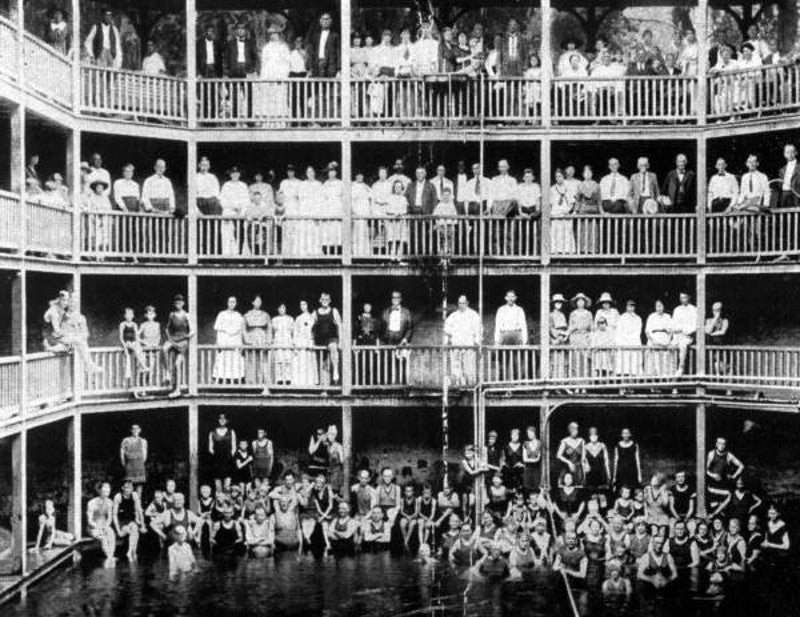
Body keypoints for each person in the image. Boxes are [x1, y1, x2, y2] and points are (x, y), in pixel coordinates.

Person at [256, 25, 291, 126]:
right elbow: (264, 63)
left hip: (280, 78)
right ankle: (268, 121)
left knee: (280, 98)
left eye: (274, 33)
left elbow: (287, 63)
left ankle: (281, 121)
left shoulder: (284, 47)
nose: (272, 36)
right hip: (268, 77)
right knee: (268, 98)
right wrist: (264, 77)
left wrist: (283, 76)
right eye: (271, 34)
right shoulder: (266, 47)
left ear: (279, 34)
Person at [444, 295, 481, 386]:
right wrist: (447, 342)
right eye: (459, 303)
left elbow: (478, 330)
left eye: (463, 303)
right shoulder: (453, 316)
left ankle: (470, 386)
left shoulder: (473, 315)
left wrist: (476, 342)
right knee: (456, 367)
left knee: (469, 368)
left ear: (467, 303)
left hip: (468, 346)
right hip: (456, 346)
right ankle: (458, 386)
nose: (461, 305)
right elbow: (447, 330)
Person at [161, 294, 191, 397]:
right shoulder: (172, 315)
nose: (178, 305)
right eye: (176, 303)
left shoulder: (187, 315)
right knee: (164, 348)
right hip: (173, 337)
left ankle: (177, 390)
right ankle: (167, 373)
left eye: (180, 303)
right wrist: (169, 338)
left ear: (183, 304)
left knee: (177, 364)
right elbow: (166, 328)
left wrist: (187, 336)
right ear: (175, 304)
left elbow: (193, 331)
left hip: (183, 340)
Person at [212, 296, 245, 385]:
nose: (232, 304)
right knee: (223, 362)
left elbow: (240, 331)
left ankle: (234, 383)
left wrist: (240, 343)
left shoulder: (238, 315)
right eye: (230, 302)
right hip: (225, 342)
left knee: (235, 363)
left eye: (234, 302)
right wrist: (219, 342)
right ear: (227, 303)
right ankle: (222, 382)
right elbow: (219, 329)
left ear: (236, 303)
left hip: (234, 343)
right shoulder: (222, 314)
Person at [312, 293, 342, 386]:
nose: (325, 301)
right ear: (320, 301)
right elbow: (310, 327)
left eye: (327, 299)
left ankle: (336, 371)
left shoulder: (334, 311)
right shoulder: (315, 312)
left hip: (331, 337)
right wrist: (311, 340)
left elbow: (340, 326)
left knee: (333, 347)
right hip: (320, 340)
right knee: (324, 363)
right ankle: (326, 385)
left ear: (329, 301)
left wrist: (340, 341)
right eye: (323, 299)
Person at [706, 436, 744, 508]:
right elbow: (705, 470)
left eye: (724, 444)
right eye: (720, 443)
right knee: (713, 506)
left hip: (724, 486)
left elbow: (741, 466)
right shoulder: (711, 454)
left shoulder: (728, 455)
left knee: (723, 506)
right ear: (716, 444)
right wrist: (712, 475)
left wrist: (734, 476)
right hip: (713, 485)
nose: (721, 446)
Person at [119, 307, 149, 397]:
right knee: (133, 346)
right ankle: (143, 365)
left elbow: (137, 337)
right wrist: (124, 345)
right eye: (127, 314)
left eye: (131, 314)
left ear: (133, 315)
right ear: (125, 316)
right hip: (127, 344)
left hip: (133, 344)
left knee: (138, 348)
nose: (129, 316)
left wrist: (144, 342)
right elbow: (121, 337)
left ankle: (141, 364)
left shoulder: (134, 325)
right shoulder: (123, 324)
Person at [112, 480, 145, 562]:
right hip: (120, 521)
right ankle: (132, 552)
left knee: (135, 528)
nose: (128, 490)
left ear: (132, 488)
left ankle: (131, 552)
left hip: (130, 520)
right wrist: (118, 530)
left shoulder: (134, 495)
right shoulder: (118, 497)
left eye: (130, 488)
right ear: (122, 488)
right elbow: (114, 515)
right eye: (126, 488)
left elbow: (139, 511)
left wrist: (143, 525)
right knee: (129, 530)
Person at [87, 482, 116, 565]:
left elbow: (109, 518)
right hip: (93, 527)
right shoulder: (92, 502)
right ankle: (109, 558)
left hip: (104, 525)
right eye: (105, 488)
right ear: (99, 490)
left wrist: (106, 526)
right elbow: (89, 520)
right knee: (103, 538)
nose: (107, 490)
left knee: (111, 534)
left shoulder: (110, 502)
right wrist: (98, 527)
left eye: (108, 488)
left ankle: (111, 556)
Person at [549, 168, 576, 254]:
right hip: (555, 212)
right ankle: (555, 251)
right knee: (556, 232)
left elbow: (572, 202)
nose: (558, 178)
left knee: (567, 232)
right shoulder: (552, 189)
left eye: (560, 176)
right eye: (556, 177)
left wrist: (568, 210)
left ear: (563, 177)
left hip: (565, 212)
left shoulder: (569, 188)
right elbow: (550, 203)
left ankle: (568, 251)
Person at [615, 299, 643, 380]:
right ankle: (624, 387)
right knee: (624, 366)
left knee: (634, 365)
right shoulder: (622, 318)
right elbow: (619, 331)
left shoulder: (638, 318)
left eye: (632, 306)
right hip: (624, 344)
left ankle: (633, 386)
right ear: (626, 307)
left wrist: (631, 339)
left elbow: (638, 331)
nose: (630, 308)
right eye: (629, 306)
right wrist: (622, 341)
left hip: (634, 343)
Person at [645, 299, 674, 376]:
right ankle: (654, 383)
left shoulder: (668, 317)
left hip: (665, 340)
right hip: (654, 340)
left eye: (661, 306)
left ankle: (666, 380)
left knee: (665, 362)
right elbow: (647, 331)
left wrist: (667, 341)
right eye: (657, 306)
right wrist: (653, 341)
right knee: (654, 361)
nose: (659, 308)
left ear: (664, 307)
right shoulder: (651, 316)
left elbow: (671, 331)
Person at [568, 293, 593, 378]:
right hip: (575, 338)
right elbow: (570, 327)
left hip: (585, 338)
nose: (580, 302)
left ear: (585, 302)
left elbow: (591, 327)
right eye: (578, 301)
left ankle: (584, 385)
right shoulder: (573, 313)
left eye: (582, 300)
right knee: (575, 361)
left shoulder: (588, 313)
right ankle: (576, 385)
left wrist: (589, 336)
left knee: (585, 361)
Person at [672, 292, 697, 376]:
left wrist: (686, 330)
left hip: (688, 336)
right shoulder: (677, 309)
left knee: (683, 345)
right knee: (669, 346)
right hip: (677, 335)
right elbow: (674, 325)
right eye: (681, 298)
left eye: (685, 297)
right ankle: (670, 372)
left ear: (689, 297)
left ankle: (681, 367)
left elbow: (695, 325)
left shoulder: (694, 309)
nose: (683, 300)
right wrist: (679, 329)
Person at [306, 13, 340, 78]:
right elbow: (311, 53)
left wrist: (339, 70)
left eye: (327, 19)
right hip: (317, 66)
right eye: (323, 19)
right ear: (320, 21)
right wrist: (310, 68)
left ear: (331, 21)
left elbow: (338, 53)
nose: (325, 21)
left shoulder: (335, 36)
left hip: (330, 67)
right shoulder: (315, 36)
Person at [208, 413, 236, 489]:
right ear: (218, 420)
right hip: (217, 461)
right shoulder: (212, 433)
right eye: (220, 418)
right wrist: (216, 455)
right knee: (218, 487)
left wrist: (230, 456)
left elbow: (234, 447)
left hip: (228, 461)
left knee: (227, 486)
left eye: (224, 418)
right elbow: (210, 448)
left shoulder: (231, 432)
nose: (222, 420)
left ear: (227, 420)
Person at [293, 300, 317, 386]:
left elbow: (314, 331)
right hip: (301, 342)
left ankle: (310, 383)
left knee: (310, 363)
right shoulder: (298, 318)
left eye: (304, 304)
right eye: (301, 305)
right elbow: (295, 332)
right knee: (301, 363)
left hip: (309, 342)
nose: (302, 306)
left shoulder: (312, 317)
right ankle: (301, 383)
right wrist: (295, 344)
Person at [271, 303, 295, 386]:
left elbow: (292, 332)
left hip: (287, 340)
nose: (281, 309)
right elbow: (273, 331)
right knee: (279, 360)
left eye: (283, 308)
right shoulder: (274, 319)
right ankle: (279, 378)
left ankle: (288, 378)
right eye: (280, 308)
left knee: (287, 360)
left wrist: (292, 342)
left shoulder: (290, 319)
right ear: (278, 309)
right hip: (278, 341)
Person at [120, 424, 147, 494]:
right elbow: (122, 453)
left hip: (139, 466)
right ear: (131, 430)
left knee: (139, 487)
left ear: (140, 430)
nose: (135, 430)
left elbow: (144, 455)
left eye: (137, 429)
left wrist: (140, 463)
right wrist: (124, 462)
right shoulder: (126, 440)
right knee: (128, 486)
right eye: (133, 429)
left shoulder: (143, 441)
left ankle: (138, 502)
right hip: (130, 466)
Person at [556, 422, 585, 487]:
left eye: (576, 429)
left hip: (578, 468)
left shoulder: (581, 441)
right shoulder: (565, 441)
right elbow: (558, 455)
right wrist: (569, 462)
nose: (575, 432)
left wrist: (584, 467)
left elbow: (583, 457)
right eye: (573, 430)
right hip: (567, 468)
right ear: (570, 431)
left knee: (579, 485)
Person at [777, 144, 800, 208]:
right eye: (787, 152)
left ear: (796, 153)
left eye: (791, 151)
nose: (789, 154)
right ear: (784, 154)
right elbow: (779, 186)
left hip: (796, 195)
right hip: (784, 196)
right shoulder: (782, 169)